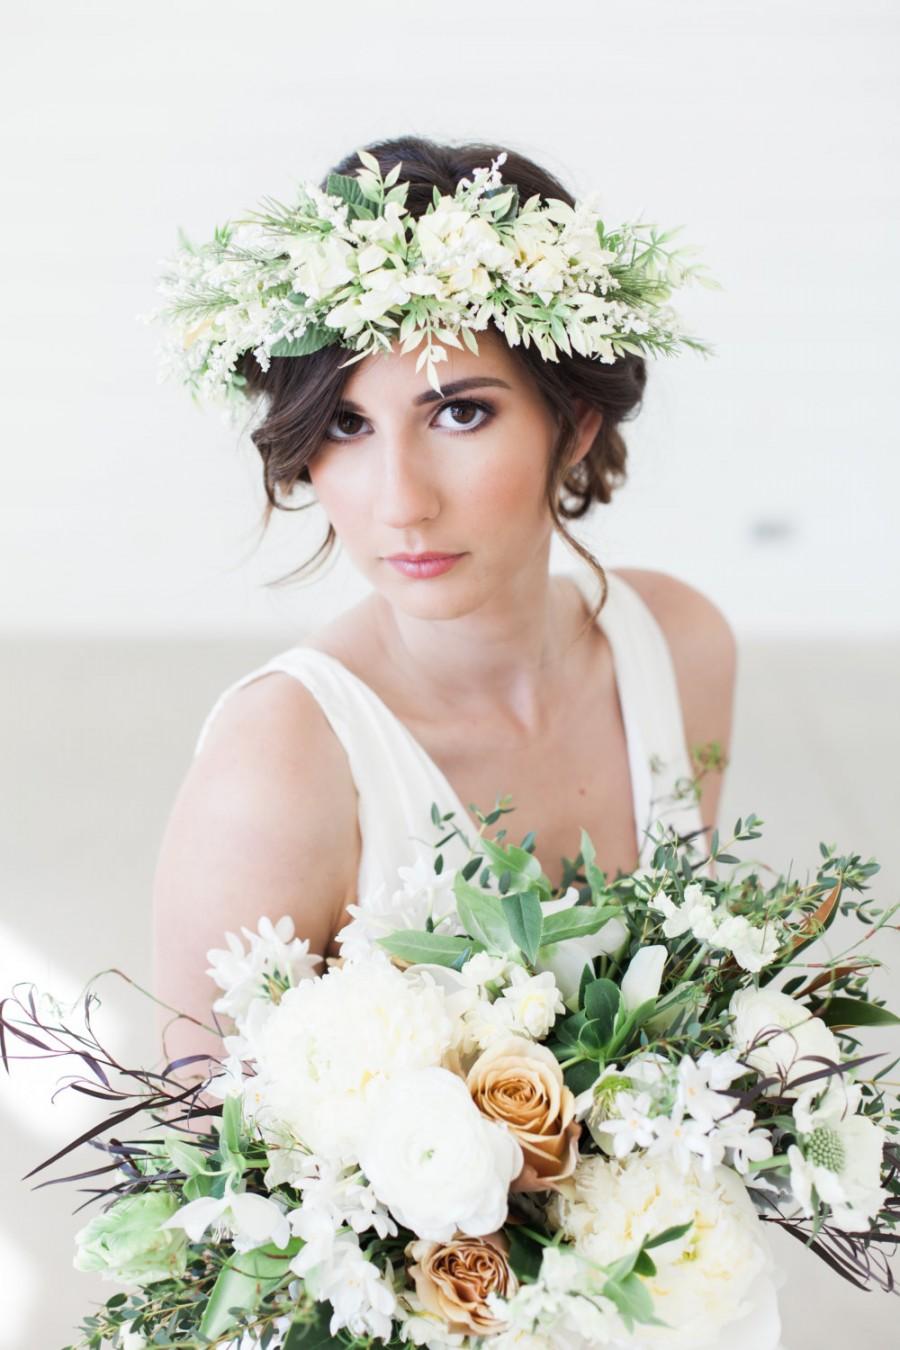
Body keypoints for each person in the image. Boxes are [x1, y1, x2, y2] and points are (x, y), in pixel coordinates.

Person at [150, 135, 736, 1073]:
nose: (401, 502)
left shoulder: (681, 647)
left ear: (575, 422)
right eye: (347, 425)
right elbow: (194, 1180)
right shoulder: (280, 765)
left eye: (459, 413)